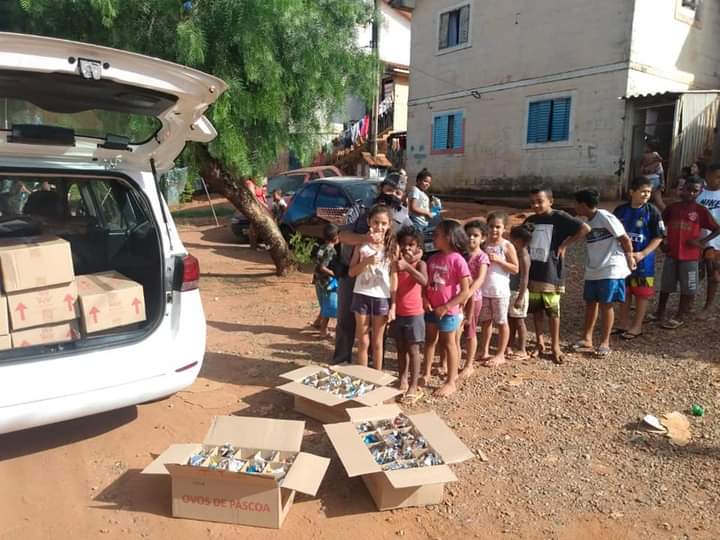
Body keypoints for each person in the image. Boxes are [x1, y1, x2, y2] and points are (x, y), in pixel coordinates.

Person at [333, 171, 413, 364]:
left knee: (378, 330)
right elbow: (341, 236)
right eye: (389, 189)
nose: (392, 194)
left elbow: (413, 243)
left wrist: (410, 257)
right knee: (346, 320)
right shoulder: (360, 207)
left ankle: (373, 365)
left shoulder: (404, 217)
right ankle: (342, 360)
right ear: (380, 188)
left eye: (398, 192)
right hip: (351, 271)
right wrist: (364, 239)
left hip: (380, 281)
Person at [524, 186, 590, 364]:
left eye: (540, 201)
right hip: (534, 272)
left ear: (550, 201)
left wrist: (565, 245)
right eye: (532, 202)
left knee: (553, 311)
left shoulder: (559, 217)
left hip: (551, 272)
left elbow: (584, 228)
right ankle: (539, 343)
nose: (536, 205)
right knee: (536, 310)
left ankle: (555, 346)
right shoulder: (530, 221)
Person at [571, 189, 635, 357]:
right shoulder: (586, 222)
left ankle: (605, 342)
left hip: (611, 267)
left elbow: (624, 238)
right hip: (594, 268)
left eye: (576, 203)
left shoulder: (605, 216)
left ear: (583, 205)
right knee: (591, 302)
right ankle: (586, 338)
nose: (575, 207)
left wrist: (629, 257)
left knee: (607, 304)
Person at [654, 177, 720, 328]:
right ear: (682, 189)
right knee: (666, 284)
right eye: (688, 189)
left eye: (695, 190)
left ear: (700, 192)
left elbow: (717, 228)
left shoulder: (701, 211)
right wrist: (663, 241)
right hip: (672, 254)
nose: (690, 193)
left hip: (691, 257)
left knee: (688, 287)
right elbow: (659, 225)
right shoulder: (672, 208)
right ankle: (660, 312)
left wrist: (701, 242)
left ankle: (680, 315)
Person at [421, 220, 471, 397]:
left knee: (449, 344)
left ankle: (451, 381)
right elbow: (425, 284)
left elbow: (465, 291)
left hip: (449, 312)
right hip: (431, 309)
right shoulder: (432, 258)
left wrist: (446, 306)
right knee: (429, 341)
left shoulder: (458, 261)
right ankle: (425, 373)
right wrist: (425, 298)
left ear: (448, 237)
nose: (433, 237)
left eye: (437, 234)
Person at [613, 177, 665, 339]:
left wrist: (642, 254)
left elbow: (659, 236)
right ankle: (623, 323)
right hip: (622, 260)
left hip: (643, 262)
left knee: (641, 293)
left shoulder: (652, 211)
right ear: (631, 192)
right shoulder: (620, 210)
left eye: (649, 192)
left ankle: (637, 326)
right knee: (625, 291)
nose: (646, 195)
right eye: (642, 191)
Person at [348, 205, 397, 370]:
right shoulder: (361, 245)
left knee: (377, 341)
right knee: (363, 340)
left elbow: (394, 276)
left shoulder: (392, 247)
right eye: (376, 222)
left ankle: (376, 377)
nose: (380, 227)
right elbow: (351, 272)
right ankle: (362, 377)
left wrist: (393, 305)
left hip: (382, 297)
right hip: (361, 294)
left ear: (389, 224)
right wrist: (366, 262)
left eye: (384, 223)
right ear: (369, 222)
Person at [392, 227, 428, 403]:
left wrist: (408, 267)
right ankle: (403, 378)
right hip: (398, 312)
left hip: (414, 314)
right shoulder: (396, 263)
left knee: (414, 350)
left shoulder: (420, 264)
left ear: (418, 247)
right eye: (404, 244)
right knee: (400, 348)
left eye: (411, 245)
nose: (407, 248)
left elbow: (424, 281)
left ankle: (414, 385)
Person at [478, 213, 519, 367]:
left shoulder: (507, 245)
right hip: (484, 289)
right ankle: (484, 350)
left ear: (504, 228)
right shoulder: (483, 244)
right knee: (486, 321)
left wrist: (500, 260)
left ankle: (500, 354)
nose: (494, 230)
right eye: (491, 226)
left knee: (501, 321)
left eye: (498, 227)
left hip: (500, 290)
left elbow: (515, 268)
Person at [459, 220, 489, 378]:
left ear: (483, 238)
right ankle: (451, 362)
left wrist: (468, 293)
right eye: (468, 235)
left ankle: (469, 364)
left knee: (470, 330)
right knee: (456, 330)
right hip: (458, 297)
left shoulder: (482, 257)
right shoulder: (461, 255)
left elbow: (480, 279)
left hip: (473, 298)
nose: (471, 238)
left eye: (475, 235)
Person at [696, 163, 720, 316]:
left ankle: (708, 306)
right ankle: (688, 303)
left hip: (717, 241)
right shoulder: (699, 195)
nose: (718, 180)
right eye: (716, 177)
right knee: (698, 272)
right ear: (707, 176)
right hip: (699, 241)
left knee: (714, 274)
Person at [507, 223, 533, 360]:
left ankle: (522, 348)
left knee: (519, 321)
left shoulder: (524, 257)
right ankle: (509, 344)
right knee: (510, 320)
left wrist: (520, 297)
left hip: (518, 293)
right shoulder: (516, 253)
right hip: (511, 291)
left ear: (519, 241)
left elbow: (524, 279)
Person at [312, 224, 340, 338]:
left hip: (318, 280)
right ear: (336, 237)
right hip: (327, 282)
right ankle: (323, 330)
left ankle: (317, 322)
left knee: (324, 303)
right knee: (329, 305)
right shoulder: (331, 250)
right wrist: (335, 273)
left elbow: (317, 263)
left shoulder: (322, 247)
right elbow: (323, 267)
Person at [639, 139, 665, 210]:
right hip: (656, 180)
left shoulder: (644, 156)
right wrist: (662, 183)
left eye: (645, 146)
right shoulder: (656, 156)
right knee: (659, 201)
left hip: (647, 180)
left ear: (649, 147)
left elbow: (642, 169)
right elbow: (661, 171)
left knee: (642, 200)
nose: (644, 147)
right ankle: (668, 215)